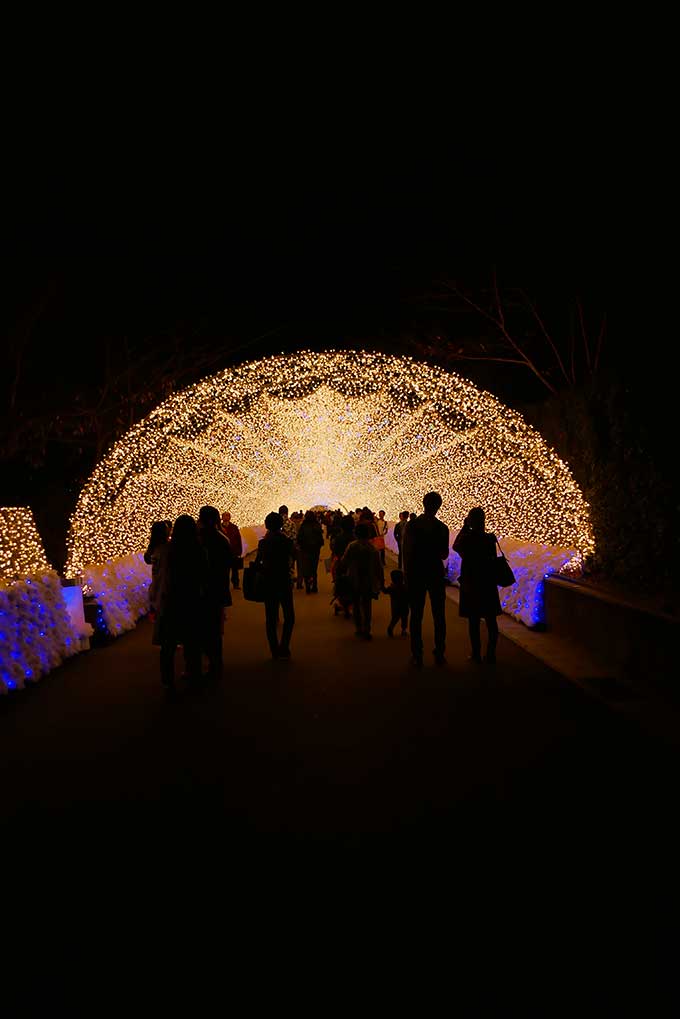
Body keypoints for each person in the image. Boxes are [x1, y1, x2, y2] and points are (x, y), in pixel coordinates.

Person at [156, 514, 205, 694]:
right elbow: (203, 574)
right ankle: (194, 675)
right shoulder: (198, 549)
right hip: (192, 600)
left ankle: (167, 680)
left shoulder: (168, 550)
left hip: (172, 601)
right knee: (192, 641)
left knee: (168, 644)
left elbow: (164, 577)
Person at [402, 492, 450, 667]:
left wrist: (406, 575)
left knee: (416, 614)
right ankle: (439, 652)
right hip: (435, 573)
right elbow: (444, 554)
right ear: (439, 506)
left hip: (416, 573)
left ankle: (417, 654)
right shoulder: (442, 528)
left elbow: (407, 552)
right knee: (439, 615)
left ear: (423, 503)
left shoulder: (412, 526)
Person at [452, 507, 501, 664]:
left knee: (473, 621)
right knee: (491, 621)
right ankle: (491, 653)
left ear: (470, 520)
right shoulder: (489, 539)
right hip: (487, 583)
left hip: (472, 583)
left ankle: (476, 654)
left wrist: (465, 526)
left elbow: (455, 546)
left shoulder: (467, 538)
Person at [199, 505, 234, 680]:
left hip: (199, 591)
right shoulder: (222, 539)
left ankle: (202, 663)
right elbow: (229, 562)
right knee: (215, 629)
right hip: (217, 589)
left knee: (200, 628)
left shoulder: (196, 539)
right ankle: (216, 663)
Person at [255, 511, 295, 659]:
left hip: (269, 581)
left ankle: (274, 649)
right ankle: (284, 646)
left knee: (271, 617)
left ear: (266, 525)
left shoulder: (263, 543)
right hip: (284, 581)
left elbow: (259, 562)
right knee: (289, 616)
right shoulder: (287, 541)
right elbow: (293, 556)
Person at [340, 522, 384, 639]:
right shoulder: (373, 548)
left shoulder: (352, 546)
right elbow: (378, 567)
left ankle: (359, 628)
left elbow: (344, 561)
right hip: (368, 580)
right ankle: (367, 629)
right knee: (366, 604)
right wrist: (381, 581)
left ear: (356, 533)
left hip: (354, 578)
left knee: (356, 604)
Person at [296, 509, 324, 593]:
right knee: (314, 568)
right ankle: (315, 586)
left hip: (305, 550)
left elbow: (299, 538)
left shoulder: (303, 526)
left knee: (306, 568)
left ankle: (308, 586)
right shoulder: (317, 525)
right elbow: (320, 539)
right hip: (315, 550)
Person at [221, 511, 243, 589]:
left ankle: (236, 584)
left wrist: (239, 551)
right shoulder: (219, 528)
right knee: (225, 571)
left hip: (233, 552)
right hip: (224, 553)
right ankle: (225, 585)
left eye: (228, 516)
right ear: (222, 517)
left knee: (235, 570)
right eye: (225, 516)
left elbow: (238, 539)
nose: (226, 517)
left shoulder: (234, 527)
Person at [385, 569, 409, 638]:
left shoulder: (392, 588)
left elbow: (385, 591)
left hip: (395, 607)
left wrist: (381, 585)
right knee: (404, 618)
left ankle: (391, 627)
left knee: (394, 619)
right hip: (404, 606)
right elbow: (408, 596)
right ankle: (403, 630)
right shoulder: (404, 587)